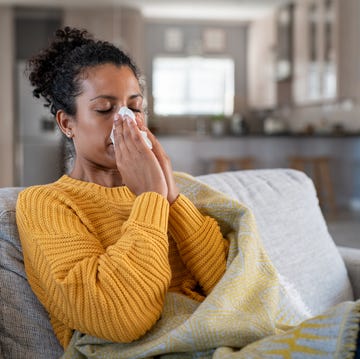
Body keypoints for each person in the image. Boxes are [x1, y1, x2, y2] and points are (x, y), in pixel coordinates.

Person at [16, 27, 228, 349]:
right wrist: (151, 199)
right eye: (104, 109)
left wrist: (171, 198)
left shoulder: (169, 189)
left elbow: (233, 288)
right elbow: (121, 318)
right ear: (67, 123)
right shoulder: (46, 204)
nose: (125, 121)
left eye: (136, 107)